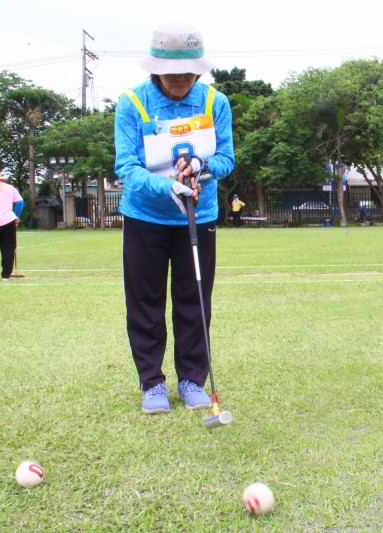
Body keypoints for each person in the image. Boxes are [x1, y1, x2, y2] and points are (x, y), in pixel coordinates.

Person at [114, 24, 235, 414]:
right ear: (155, 68)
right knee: (145, 302)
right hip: (145, 217)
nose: (181, 78)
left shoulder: (215, 101)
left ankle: (191, 380)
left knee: (194, 300)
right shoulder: (132, 103)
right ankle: (152, 383)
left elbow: (227, 159)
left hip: (198, 217)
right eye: (172, 71)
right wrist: (166, 187)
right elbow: (127, 167)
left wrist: (201, 166)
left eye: (189, 70)